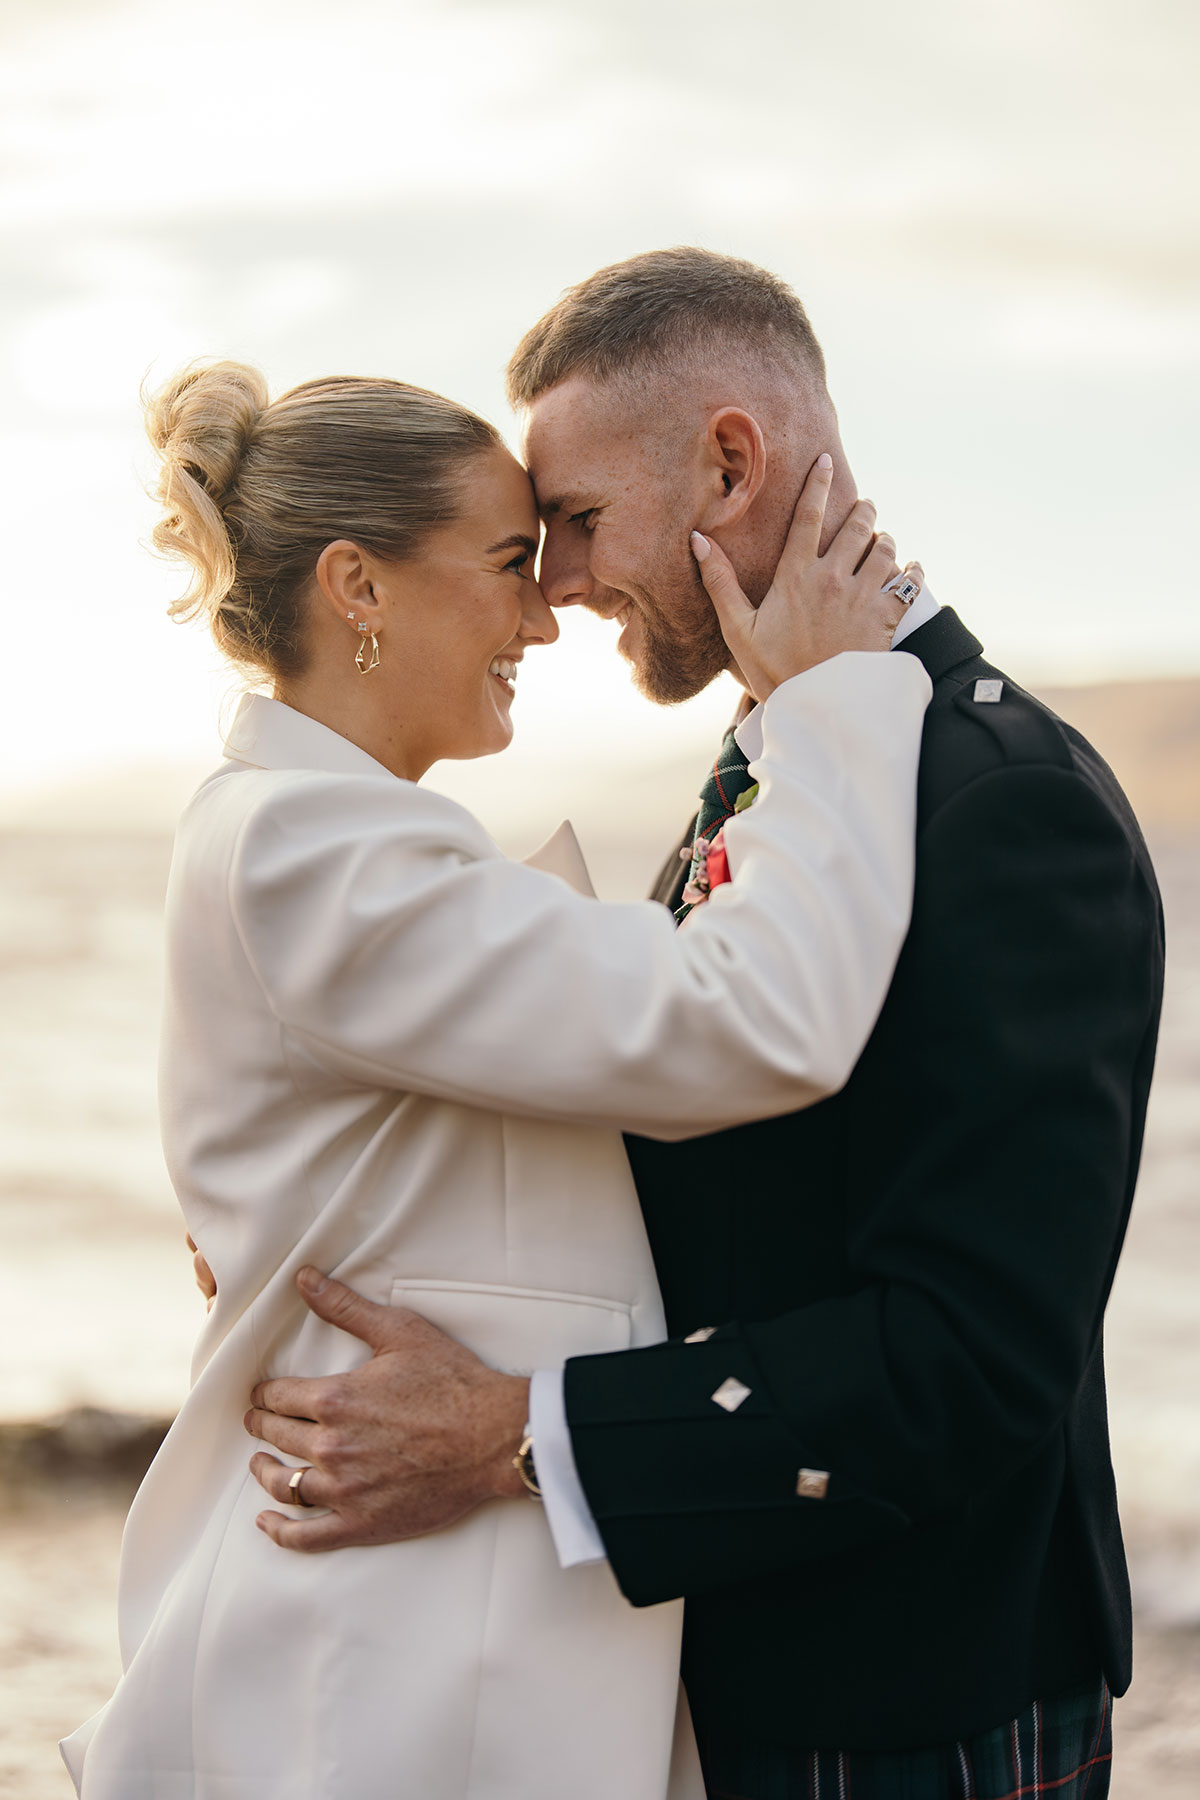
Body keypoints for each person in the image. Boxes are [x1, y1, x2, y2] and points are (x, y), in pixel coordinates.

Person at [244, 251, 1166, 1800]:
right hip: (729, 1654)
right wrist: (334, 1209)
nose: (556, 584)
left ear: (729, 465)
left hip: (901, 1695)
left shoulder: (1001, 803)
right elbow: (700, 1152)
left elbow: (972, 1358)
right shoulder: (802, 756)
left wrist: (518, 1436)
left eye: (580, 519)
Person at [61, 359, 931, 1799]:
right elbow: (756, 1024)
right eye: (507, 561)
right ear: (358, 585)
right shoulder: (310, 853)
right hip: (390, 1669)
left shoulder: (317, 838)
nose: (542, 614)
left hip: (433, 1636)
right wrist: (836, 705)